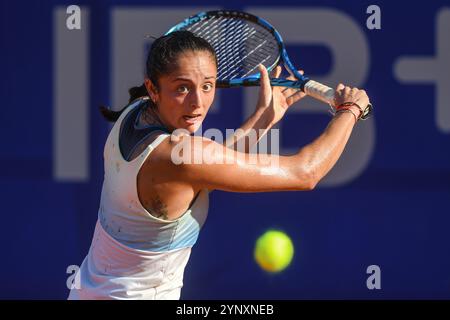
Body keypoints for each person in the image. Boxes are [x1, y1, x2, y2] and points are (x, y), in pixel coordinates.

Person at [68, 30, 370, 300]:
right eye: (182, 88)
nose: (198, 102)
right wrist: (349, 110)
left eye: (208, 85)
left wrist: (262, 120)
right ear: (153, 87)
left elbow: (203, 171)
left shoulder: (134, 114)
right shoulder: (180, 156)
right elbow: (305, 172)